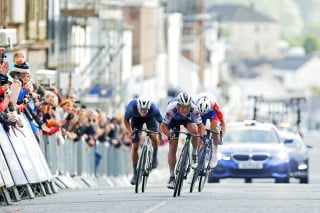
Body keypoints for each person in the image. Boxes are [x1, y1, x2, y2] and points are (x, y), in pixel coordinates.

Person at [160, 92, 206, 189]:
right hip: (174, 120)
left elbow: (200, 126)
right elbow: (163, 126)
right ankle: (172, 177)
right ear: (178, 105)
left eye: (187, 107)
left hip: (187, 120)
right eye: (183, 107)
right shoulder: (171, 109)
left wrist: (201, 137)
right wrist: (169, 135)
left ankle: (194, 155)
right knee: (172, 147)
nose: (185, 109)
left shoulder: (194, 109)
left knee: (194, 130)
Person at [123, 96, 163, 185]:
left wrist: (160, 134)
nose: (143, 112)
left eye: (145, 111)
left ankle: (154, 156)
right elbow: (125, 120)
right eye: (141, 110)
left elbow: (161, 122)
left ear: (149, 108)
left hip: (150, 119)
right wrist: (130, 132)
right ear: (138, 107)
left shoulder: (154, 109)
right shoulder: (131, 108)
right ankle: (135, 173)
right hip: (136, 120)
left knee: (153, 136)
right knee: (135, 144)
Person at [194, 92, 226, 168]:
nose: (202, 113)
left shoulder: (214, 105)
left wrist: (221, 136)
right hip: (199, 112)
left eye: (203, 112)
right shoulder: (194, 103)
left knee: (214, 129)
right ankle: (197, 158)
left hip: (212, 112)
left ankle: (215, 153)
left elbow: (223, 122)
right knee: (198, 134)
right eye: (201, 112)